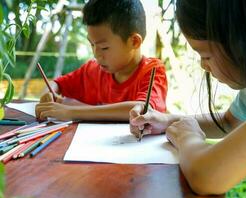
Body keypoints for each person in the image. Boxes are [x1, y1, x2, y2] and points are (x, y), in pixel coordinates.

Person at [129, 0, 246, 198]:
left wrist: (188, 138)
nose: (203, 66)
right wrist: (170, 121)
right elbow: (229, 121)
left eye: (206, 55)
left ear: (244, 40)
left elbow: (206, 175)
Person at [35, 0, 168, 121]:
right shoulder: (92, 70)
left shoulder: (152, 71)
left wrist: (72, 112)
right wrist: (48, 93)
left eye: (104, 47)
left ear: (134, 41)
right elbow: (58, 84)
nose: (96, 55)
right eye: (92, 45)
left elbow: (143, 109)